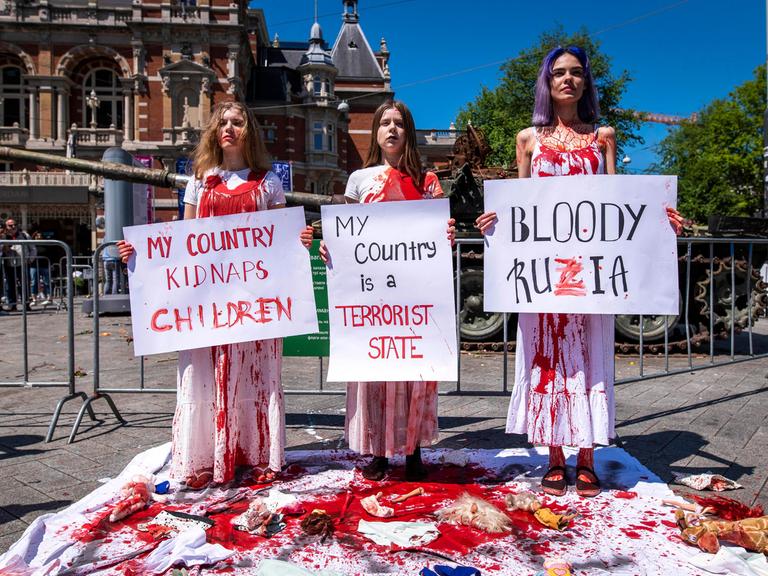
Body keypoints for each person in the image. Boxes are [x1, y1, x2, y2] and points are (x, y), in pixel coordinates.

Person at [476, 46, 683, 497]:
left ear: (585, 82)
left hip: (593, 276)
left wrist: (660, 220)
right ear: (547, 84)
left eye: (575, 73)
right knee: (547, 360)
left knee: (590, 361)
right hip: (545, 278)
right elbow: (521, 207)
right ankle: (553, 456)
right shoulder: (528, 139)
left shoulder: (603, 137)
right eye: (558, 74)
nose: (567, 80)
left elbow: (616, 204)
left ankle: (586, 455)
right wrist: (494, 220)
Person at [118, 101, 314, 489]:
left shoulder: (268, 182)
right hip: (207, 304)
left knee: (255, 376)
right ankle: (206, 455)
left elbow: (280, 240)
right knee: (205, 375)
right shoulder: (200, 180)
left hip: (255, 302)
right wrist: (139, 253)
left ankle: (257, 453)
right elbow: (182, 240)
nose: (228, 127)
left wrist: (301, 239)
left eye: (237, 121)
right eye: (222, 122)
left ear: (249, 130)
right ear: (214, 131)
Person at [322, 100, 455, 481]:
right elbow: (344, 232)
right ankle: (377, 449)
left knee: (413, 374)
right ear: (375, 132)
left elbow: (437, 235)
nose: (391, 129)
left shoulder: (427, 181)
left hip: (414, 299)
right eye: (384, 123)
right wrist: (330, 244)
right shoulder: (359, 181)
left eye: (399, 123)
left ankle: (412, 450)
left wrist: (444, 234)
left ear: (407, 131)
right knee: (375, 373)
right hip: (372, 299)